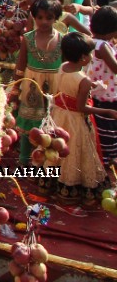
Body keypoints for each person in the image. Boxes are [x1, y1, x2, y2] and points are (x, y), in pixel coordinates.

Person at [49, 32, 108, 201]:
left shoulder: (63, 67)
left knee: (58, 148)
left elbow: (68, 89)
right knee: (75, 150)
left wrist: (91, 85)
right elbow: (82, 107)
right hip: (75, 121)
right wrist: (107, 112)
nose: (91, 57)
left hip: (60, 116)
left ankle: (54, 182)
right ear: (83, 58)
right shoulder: (83, 80)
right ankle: (73, 185)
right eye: (89, 54)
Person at [14, 0, 63, 164]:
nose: (44, 22)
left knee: (50, 125)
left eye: (49, 18)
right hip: (31, 86)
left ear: (56, 18)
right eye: (40, 17)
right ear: (34, 17)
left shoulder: (63, 39)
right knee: (29, 123)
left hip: (55, 88)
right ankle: (24, 159)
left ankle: (45, 163)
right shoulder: (28, 38)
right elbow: (20, 65)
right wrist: (15, 88)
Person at [86, 6, 117, 167]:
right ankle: (105, 167)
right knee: (108, 136)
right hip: (107, 97)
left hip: (97, 95)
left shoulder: (91, 41)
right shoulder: (103, 46)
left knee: (101, 133)